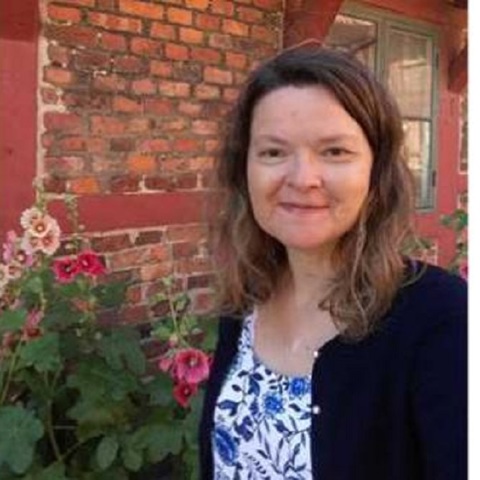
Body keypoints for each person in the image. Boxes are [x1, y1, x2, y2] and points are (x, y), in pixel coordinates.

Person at [199, 45, 467, 480]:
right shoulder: (246, 300)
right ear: (244, 170)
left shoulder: (444, 320)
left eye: (335, 151)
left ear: (376, 172)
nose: (302, 178)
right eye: (273, 152)